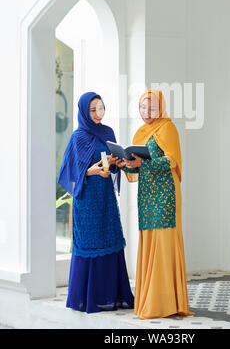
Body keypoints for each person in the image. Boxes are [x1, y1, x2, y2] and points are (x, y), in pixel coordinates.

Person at [114, 89, 193, 319]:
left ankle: (167, 304)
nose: (147, 112)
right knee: (149, 243)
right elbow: (137, 168)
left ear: (162, 107)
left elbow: (172, 160)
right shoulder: (141, 132)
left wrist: (143, 164)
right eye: (143, 107)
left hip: (166, 195)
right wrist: (124, 163)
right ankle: (151, 300)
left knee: (163, 244)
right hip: (147, 195)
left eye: (153, 107)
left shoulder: (167, 128)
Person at [57, 91, 134, 313]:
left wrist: (117, 161)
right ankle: (87, 299)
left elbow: (113, 163)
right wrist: (89, 171)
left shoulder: (107, 132)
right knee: (90, 241)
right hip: (87, 199)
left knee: (110, 237)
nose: (98, 114)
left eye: (100, 108)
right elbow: (69, 172)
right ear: (84, 111)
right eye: (93, 110)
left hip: (106, 198)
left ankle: (113, 296)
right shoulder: (77, 137)